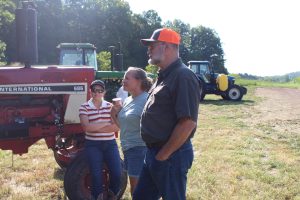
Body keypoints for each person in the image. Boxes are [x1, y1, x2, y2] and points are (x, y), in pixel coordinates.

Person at [132, 28, 200, 200]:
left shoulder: (183, 76)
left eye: (152, 45)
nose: (148, 49)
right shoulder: (163, 76)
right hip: (154, 153)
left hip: (170, 155)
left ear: (166, 47)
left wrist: (163, 156)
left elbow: (188, 123)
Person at [111, 67, 153, 196]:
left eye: (127, 78)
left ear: (139, 81)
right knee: (136, 188)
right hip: (128, 148)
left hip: (140, 149)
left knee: (137, 189)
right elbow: (123, 126)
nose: (123, 81)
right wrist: (113, 115)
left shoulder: (147, 100)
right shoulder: (129, 100)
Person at [79, 80, 122, 200]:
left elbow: (117, 126)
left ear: (104, 92)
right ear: (90, 91)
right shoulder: (84, 107)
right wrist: (106, 123)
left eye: (100, 90)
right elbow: (86, 128)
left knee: (117, 173)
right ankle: (96, 197)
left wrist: (95, 127)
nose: (97, 93)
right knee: (96, 174)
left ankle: (112, 195)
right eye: (94, 90)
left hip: (110, 144)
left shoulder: (110, 106)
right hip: (93, 145)